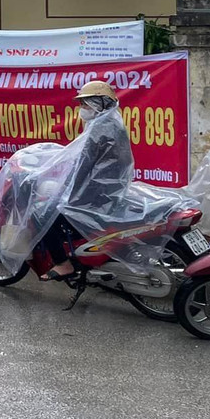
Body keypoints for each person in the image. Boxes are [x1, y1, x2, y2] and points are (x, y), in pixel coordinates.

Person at [41, 80, 133, 279]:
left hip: (94, 197)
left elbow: (82, 166)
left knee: (43, 217)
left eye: (85, 103)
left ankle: (63, 264)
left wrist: (64, 184)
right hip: (107, 193)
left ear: (99, 103)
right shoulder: (112, 123)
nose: (81, 108)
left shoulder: (101, 128)